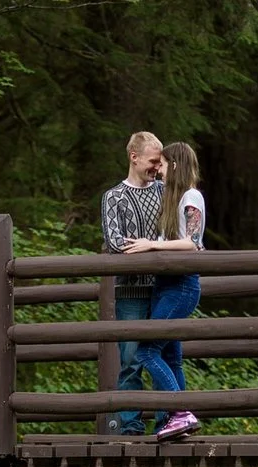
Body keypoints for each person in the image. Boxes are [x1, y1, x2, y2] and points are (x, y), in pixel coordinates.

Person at [122, 141, 208, 442]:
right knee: (171, 357)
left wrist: (152, 244)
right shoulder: (172, 200)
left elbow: (193, 243)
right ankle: (171, 424)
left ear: (176, 164)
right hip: (165, 286)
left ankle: (179, 412)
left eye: (164, 163)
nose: (159, 168)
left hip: (181, 286)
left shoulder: (191, 195)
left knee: (146, 350)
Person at [101, 131, 166, 435]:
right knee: (130, 360)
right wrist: (155, 245)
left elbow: (175, 235)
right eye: (153, 160)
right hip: (130, 291)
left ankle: (167, 421)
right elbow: (115, 243)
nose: (157, 166)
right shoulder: (113, 197)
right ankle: (131, 427)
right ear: (134, 157)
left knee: (164, 356)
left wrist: (149, 245)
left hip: (166, 288)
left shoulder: (165, 193)